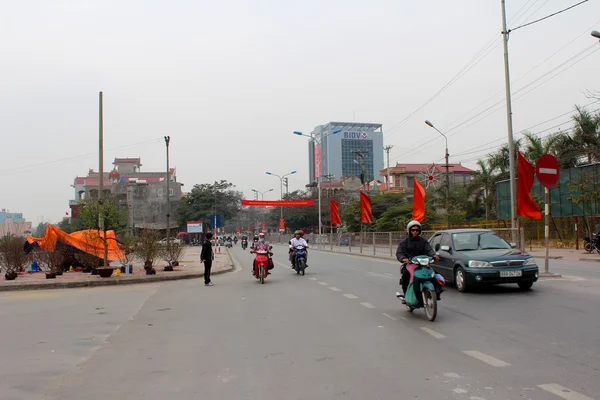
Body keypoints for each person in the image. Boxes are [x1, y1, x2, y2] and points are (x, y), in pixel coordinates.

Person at [395, 220, 441, 302]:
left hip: (422, 264)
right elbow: (399, 253)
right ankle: (406, 296)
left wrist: (433, 255)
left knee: (435, 275)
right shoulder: (404, 242)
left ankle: (437, 292)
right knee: (405, 275)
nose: (415, 232)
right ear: (409, 231)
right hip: (410, 264)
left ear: (419, 231)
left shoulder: (423, 241)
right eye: (413, 230)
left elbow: (429, 249)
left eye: (417, 230)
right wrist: (403, 259)